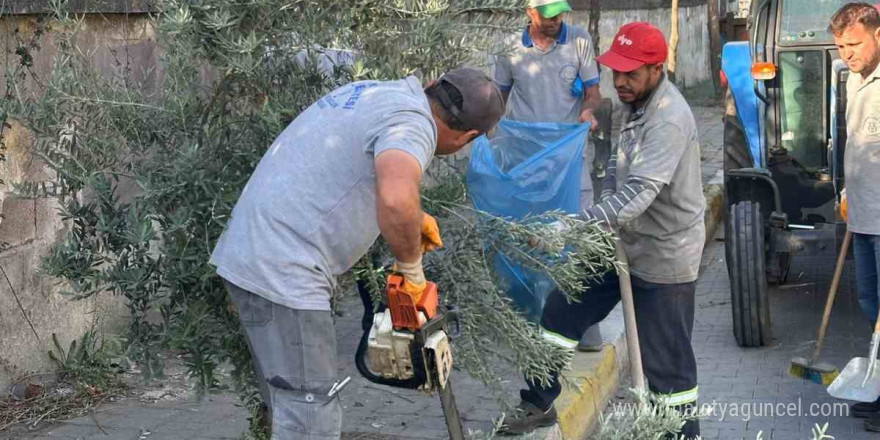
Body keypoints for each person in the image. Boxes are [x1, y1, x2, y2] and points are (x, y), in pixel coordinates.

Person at [209, 68, 504, 439]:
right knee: (310, 410)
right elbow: (395, 200)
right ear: (468, 137)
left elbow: (353, 173)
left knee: (289, 403)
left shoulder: (377, 93)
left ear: (432, 86)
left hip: (254, 252)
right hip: (286, 268)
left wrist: (416, 215)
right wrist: (412, 271)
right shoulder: (413, 125)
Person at [498, 22, 704, 439]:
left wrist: (570, 226)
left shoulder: (669, 118)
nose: (621, 82)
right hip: (620, 241)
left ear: (657, 68)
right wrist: (598, 213)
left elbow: (638, 195)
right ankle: (537, 401)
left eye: (631, 73)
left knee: (666, 367)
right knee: (561, 310)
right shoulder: (636, 103)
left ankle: (678, 434)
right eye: (616, 72)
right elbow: (616, 169)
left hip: (665, 253)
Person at [491, 0, 606, 352]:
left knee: (576, 233)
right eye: (549, 14)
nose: (557, 20)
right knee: (528, 235)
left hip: (569, 159)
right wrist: (488, 135)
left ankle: (584, 326)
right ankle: (531, 318)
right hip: (526, 162)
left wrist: (587, 112)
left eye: (560, 13)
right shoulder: (509, 48)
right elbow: (499, 97)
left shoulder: (579, 40)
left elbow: (593, 93)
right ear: (530, 11)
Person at [828, 3, 880, 432]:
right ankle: (879, 389)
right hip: (862, 217)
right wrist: (848, 192)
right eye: (841, 45)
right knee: (870, 305)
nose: (846, 53)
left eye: (855, 44)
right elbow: (860, 147)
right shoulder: (853, 80)